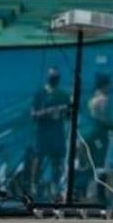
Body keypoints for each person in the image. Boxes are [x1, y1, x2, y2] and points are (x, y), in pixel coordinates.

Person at [81, 73, 113, 204]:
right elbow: (103, 119)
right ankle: (100, 195)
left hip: (91, 134)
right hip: (100, 134)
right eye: (109, 84)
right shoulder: (103, 99)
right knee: (101, 164)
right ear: (105, 85)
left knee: (92, 163)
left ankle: (86, 192)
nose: (110, 87)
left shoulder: (92, 99)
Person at [30, 66, 70, 200]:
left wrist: (66, 110)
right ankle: (34, 185)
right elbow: (34, 114)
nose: (54, 79)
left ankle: (55, 186)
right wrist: (49, 111)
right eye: (52, 76)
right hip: (43, 133)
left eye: (56, 77)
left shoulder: (63, 94)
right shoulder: (40, 94)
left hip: (57, 132)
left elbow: (69, 114)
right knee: (38, 159)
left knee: (57, 160)